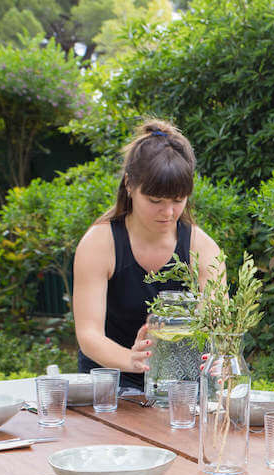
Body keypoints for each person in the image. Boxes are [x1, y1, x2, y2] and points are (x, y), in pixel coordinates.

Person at [73, 119, 222, 391]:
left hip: (179, 389)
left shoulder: (203, 248)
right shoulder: (99, 244)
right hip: (110, 388)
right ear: (129, 185)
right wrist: (132, 359)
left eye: (178, 201)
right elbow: (89, 335)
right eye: (155, 201)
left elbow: (216, 324)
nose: (168, 213)